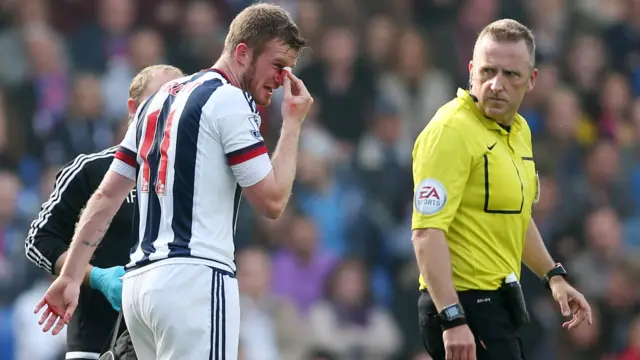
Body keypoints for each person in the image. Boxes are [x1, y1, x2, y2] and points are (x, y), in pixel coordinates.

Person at [34, 3, 313, 360]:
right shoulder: (229, 100)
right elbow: (272, 202)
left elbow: (106, 196)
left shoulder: (157, 100)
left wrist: (71, 276)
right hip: (195, 281)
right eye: (277, 66)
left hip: (141, 289)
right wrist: (292, 124)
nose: (282, 78)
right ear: (242, 53)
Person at [411, 19, 593, 360]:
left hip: (498, 303)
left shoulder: (519, 131)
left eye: (511, 74)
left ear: (531, 80)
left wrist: (554, 277)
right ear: (470, 71)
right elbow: (426, 234)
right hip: (461, 307)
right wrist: (452, 319)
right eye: (488, 71)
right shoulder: (450, 132)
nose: (497, 84)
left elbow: (516, 218)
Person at [24, 64, 184, 360]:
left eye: (181, 101)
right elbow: (38, 242)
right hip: (95, 343)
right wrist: (94, 276)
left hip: (170, 340)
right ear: (134, 108)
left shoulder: (193, 178)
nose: (171, 111)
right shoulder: (92, 170)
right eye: (161, 100)